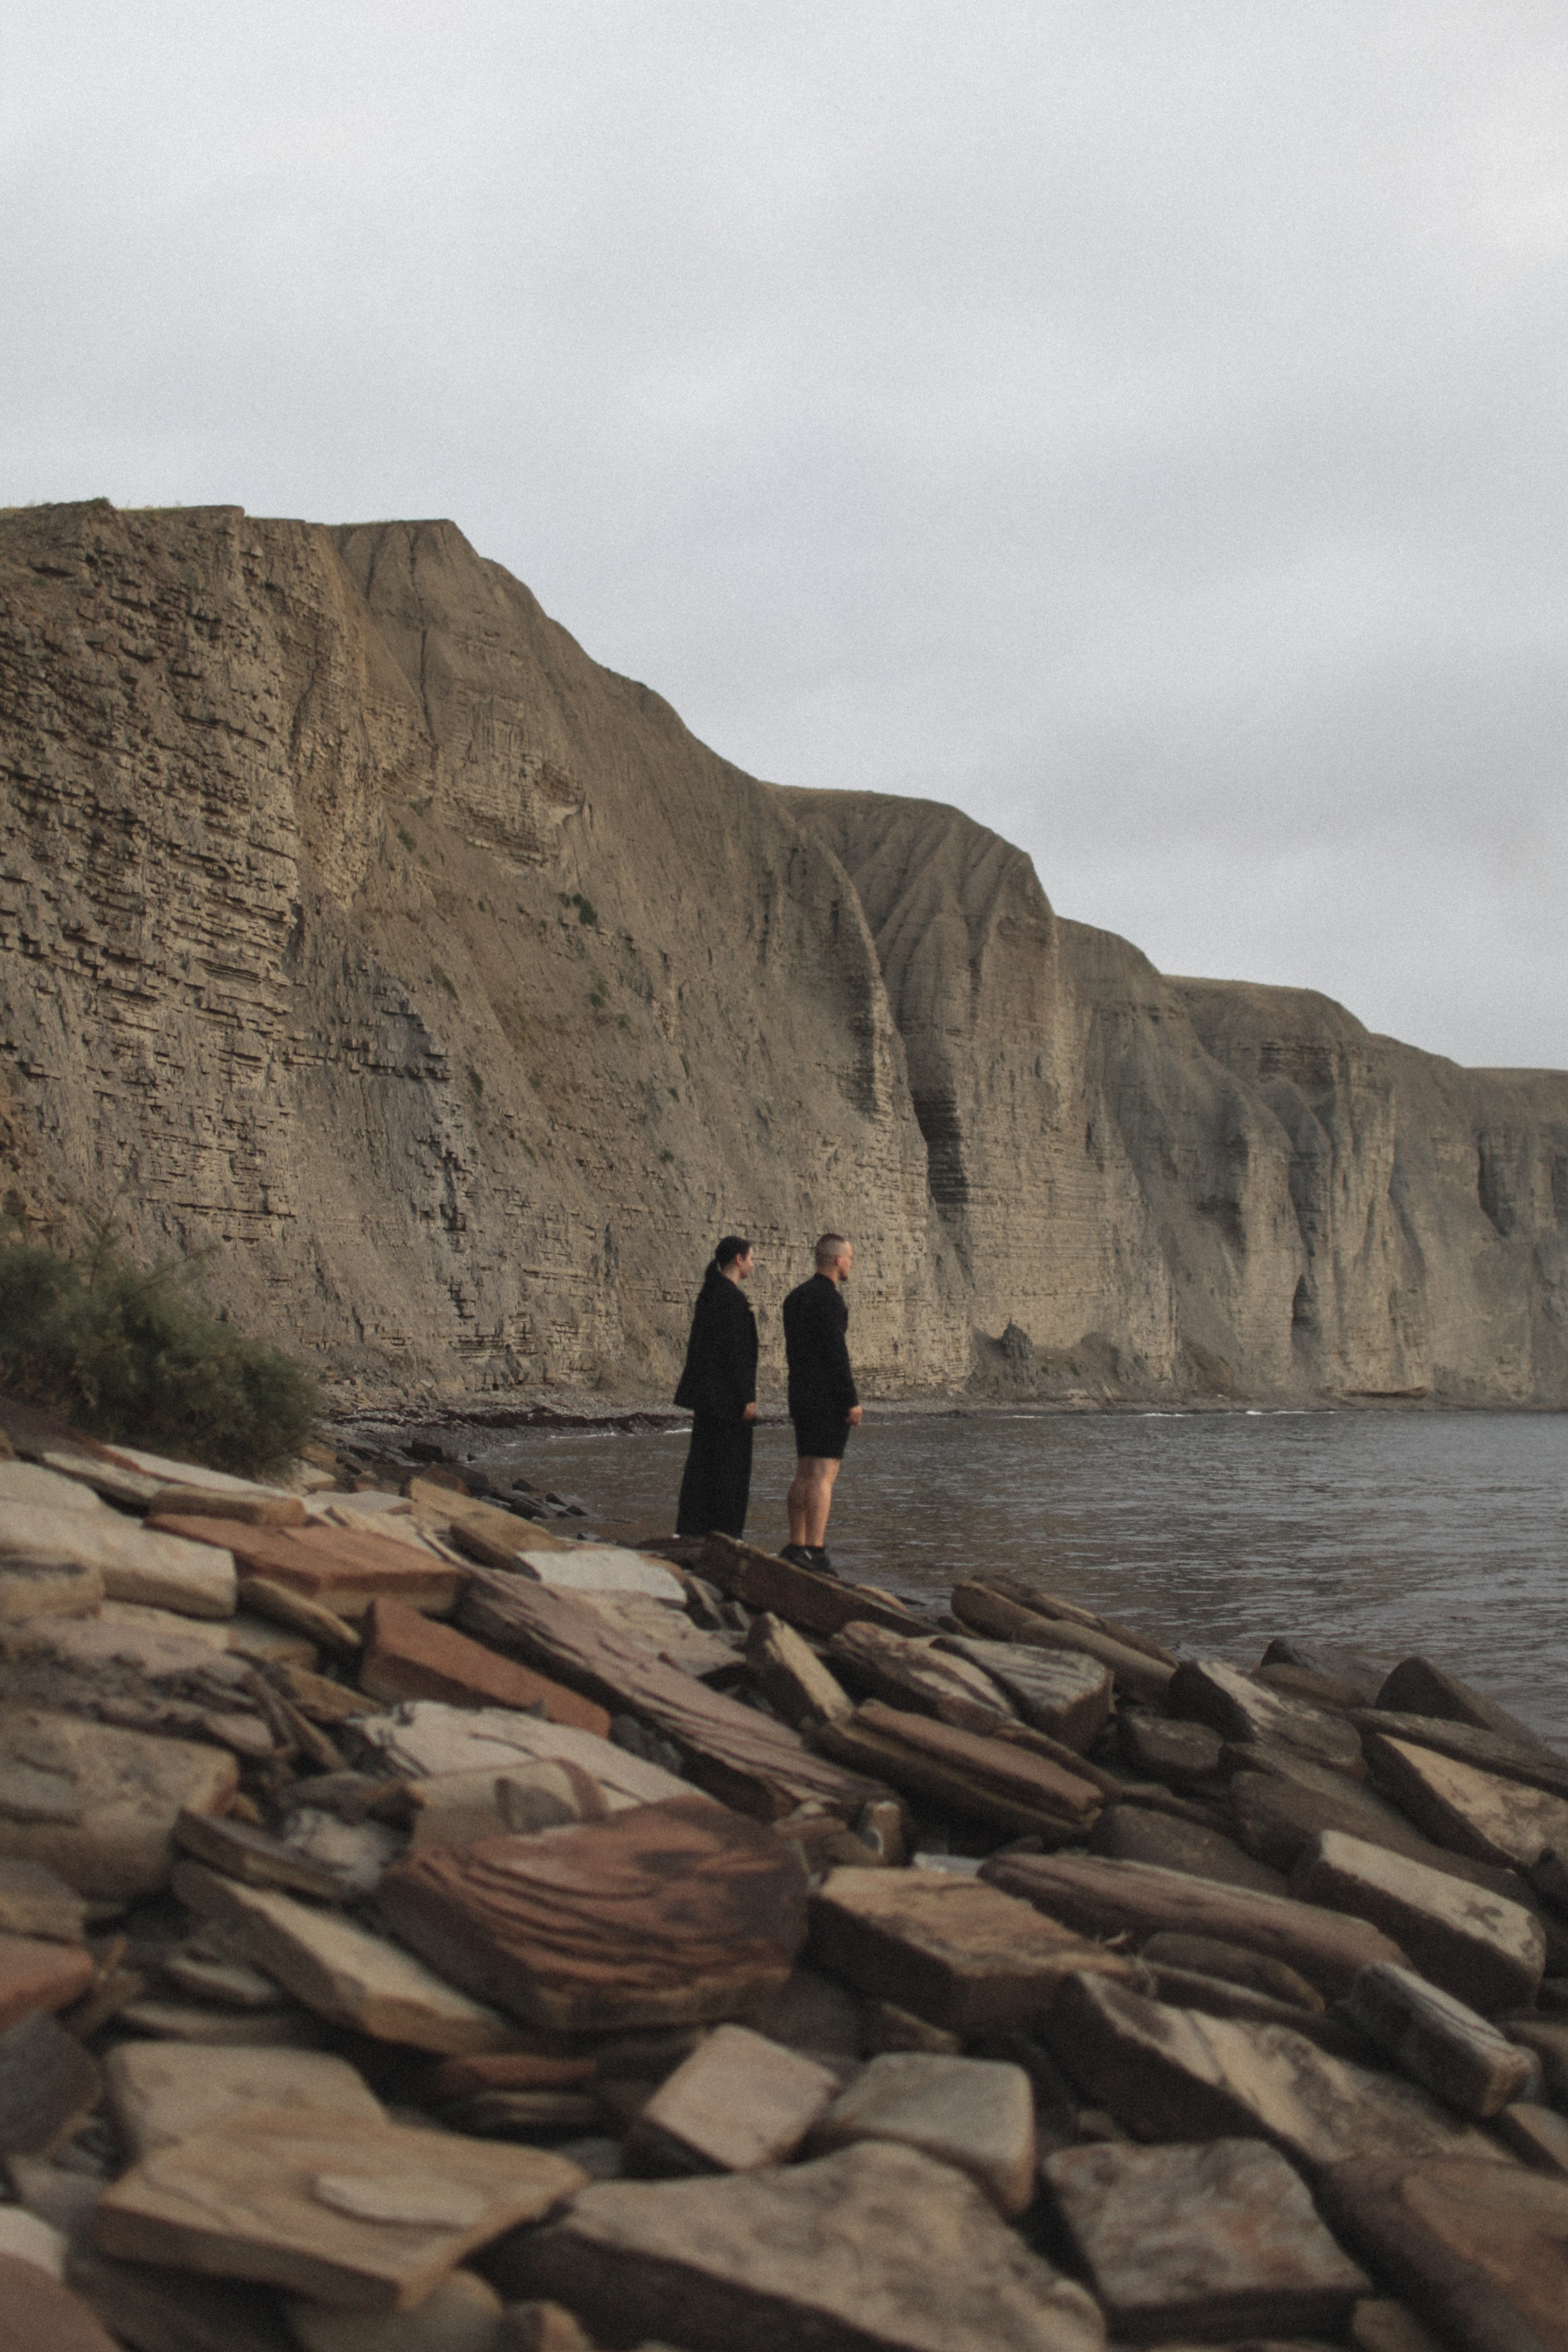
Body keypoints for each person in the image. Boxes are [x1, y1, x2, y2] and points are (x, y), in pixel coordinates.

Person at [780, 1232, 862, 1572]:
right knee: (824, 1475)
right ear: (837, 1260)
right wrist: (851, 1401)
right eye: (850, 1258)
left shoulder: (794, 1298)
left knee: (804, 1471)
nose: (851, 1264)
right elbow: (835, 1355)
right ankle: (816, 1549)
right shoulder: (831, 1301)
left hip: (799, 1394)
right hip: (827, 1398)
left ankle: (796, 1546)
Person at [673, 1235, 758, 1537]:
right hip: (727, 1403)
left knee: (702, 1467)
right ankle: (724, 1534)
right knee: (728, 1472)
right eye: (750, 1258)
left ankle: (693, 1530)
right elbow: (735, 1353)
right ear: (738, 1259)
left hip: (708, 1399)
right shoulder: (730, 1298)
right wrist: (747, 1396)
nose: (753, 1263)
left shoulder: (710, 1293)